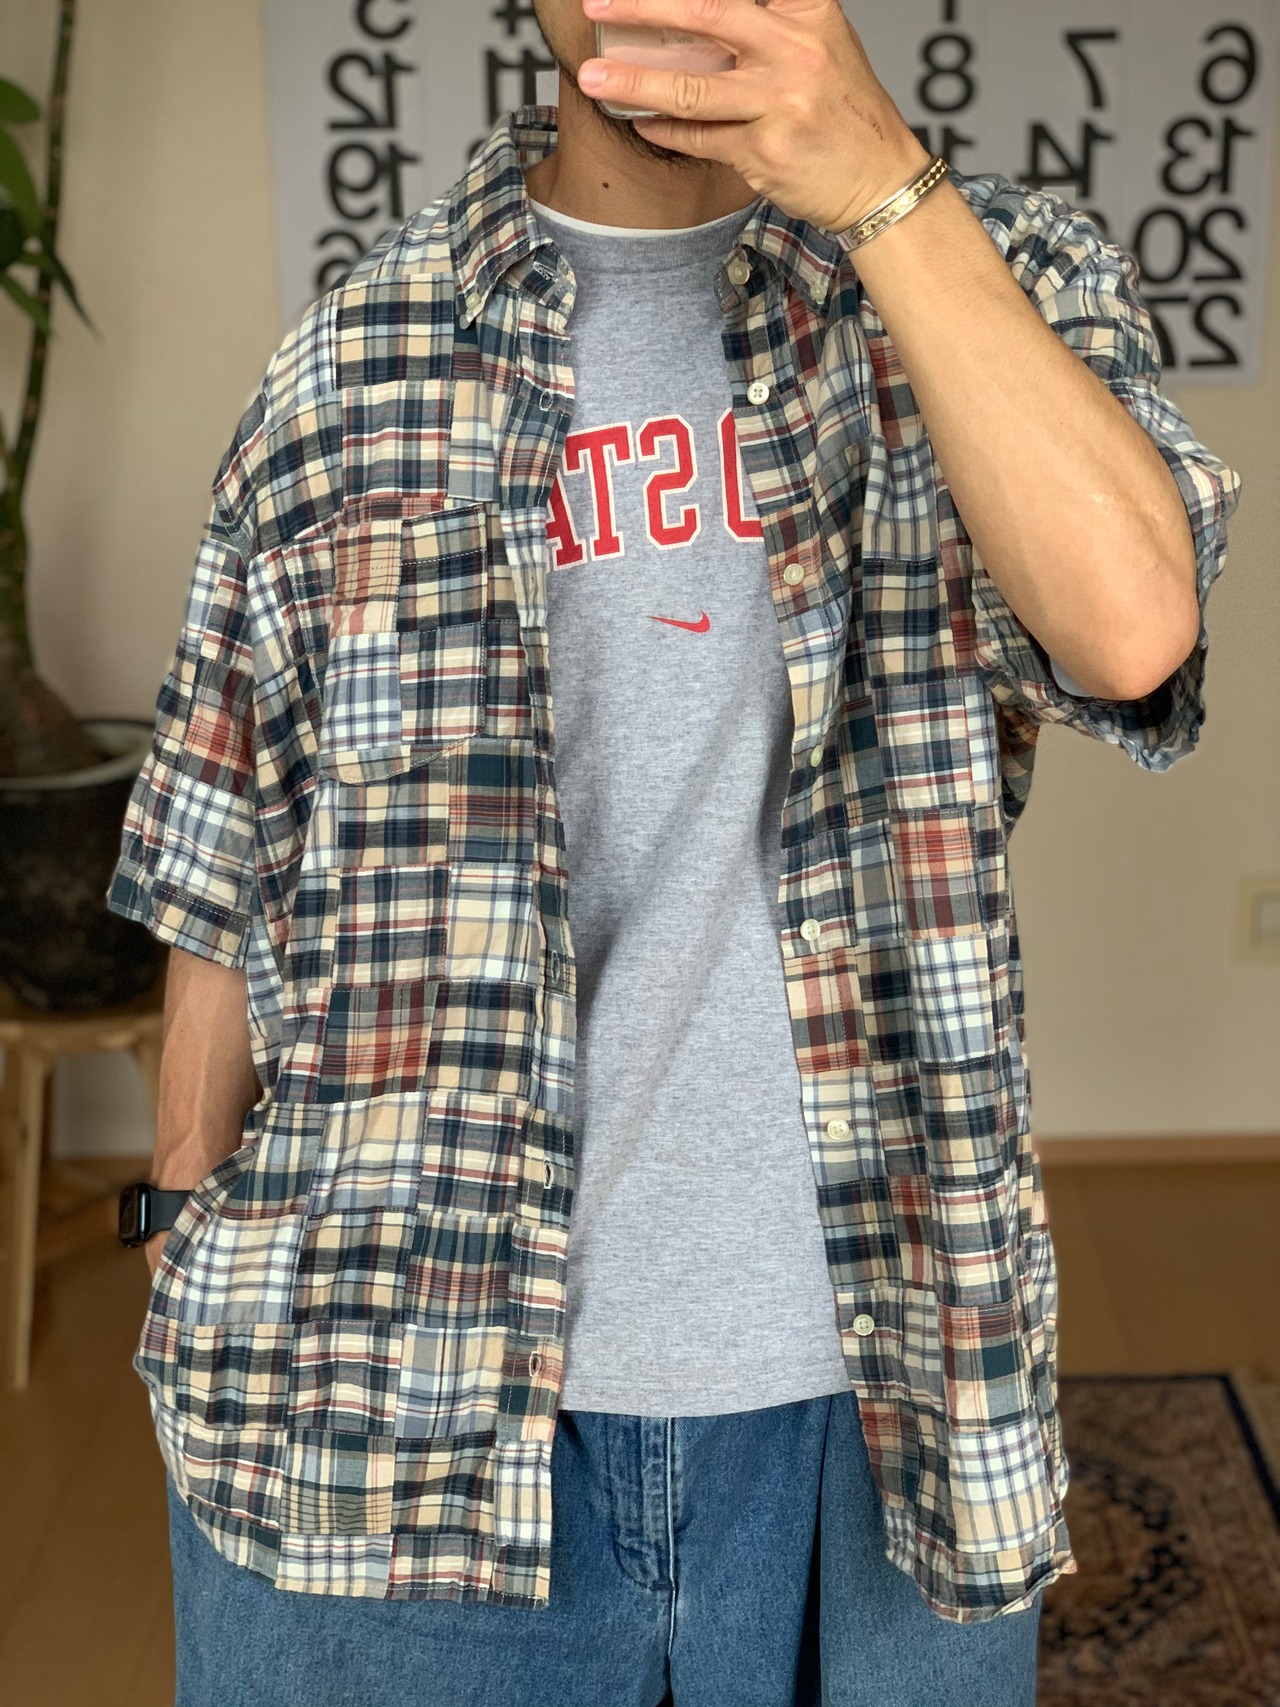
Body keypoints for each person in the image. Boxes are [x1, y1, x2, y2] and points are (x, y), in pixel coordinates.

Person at [110, 2, 1242, 1702]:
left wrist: (877, 183)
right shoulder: (362, 352)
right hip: (384, 1381)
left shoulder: (995, 274)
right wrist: (184, 1202)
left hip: (875, 1392)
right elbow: (228, 825)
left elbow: (1132, 627)